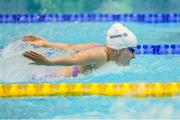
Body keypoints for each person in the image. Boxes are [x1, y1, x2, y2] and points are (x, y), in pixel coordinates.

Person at [22, 23, 137, 77]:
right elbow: (74, 58)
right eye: (132, 50)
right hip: (50, 78)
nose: (133, 56)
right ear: (119, 50)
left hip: (48, 75)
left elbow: (70, 47)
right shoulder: (100, 55)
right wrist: (49, 62)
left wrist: (46, 43)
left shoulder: (97, 46)